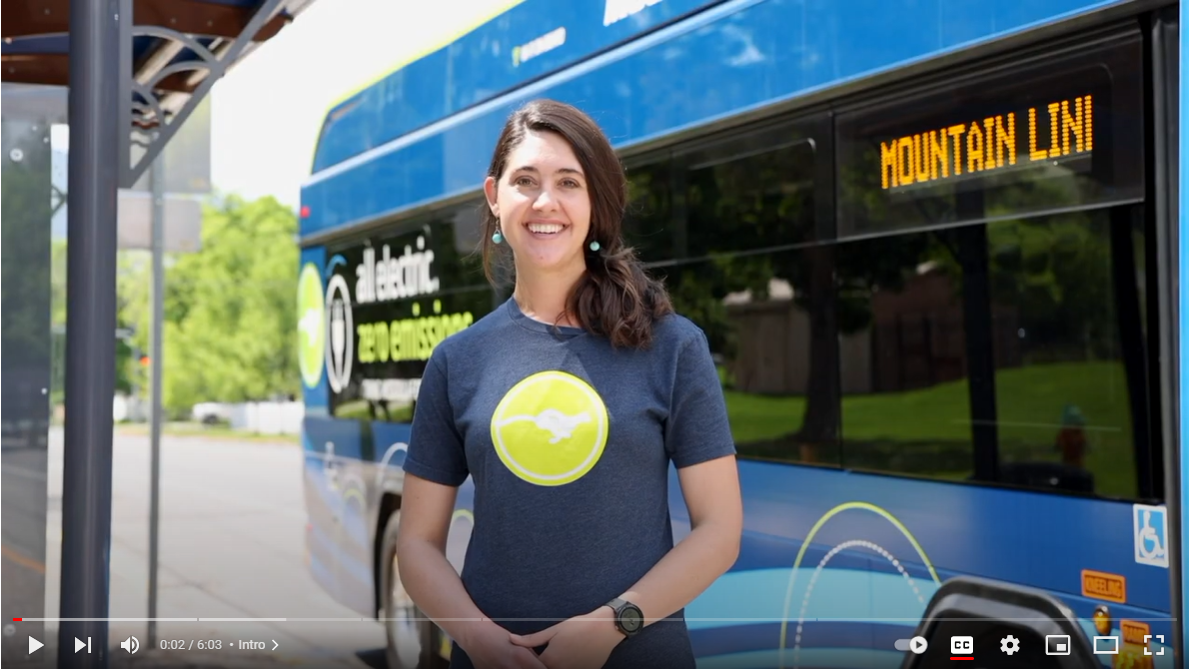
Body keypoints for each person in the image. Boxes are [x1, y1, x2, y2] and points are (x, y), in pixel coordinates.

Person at [395, 98, 743, 669]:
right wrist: (482, 644)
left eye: (568, 182)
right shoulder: (458, 360)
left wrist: (611, 626)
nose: (545, 201)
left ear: (593, 203)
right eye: (525, 180)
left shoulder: (673, 346)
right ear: (494, 196)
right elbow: (416, 545)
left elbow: (720, 530)